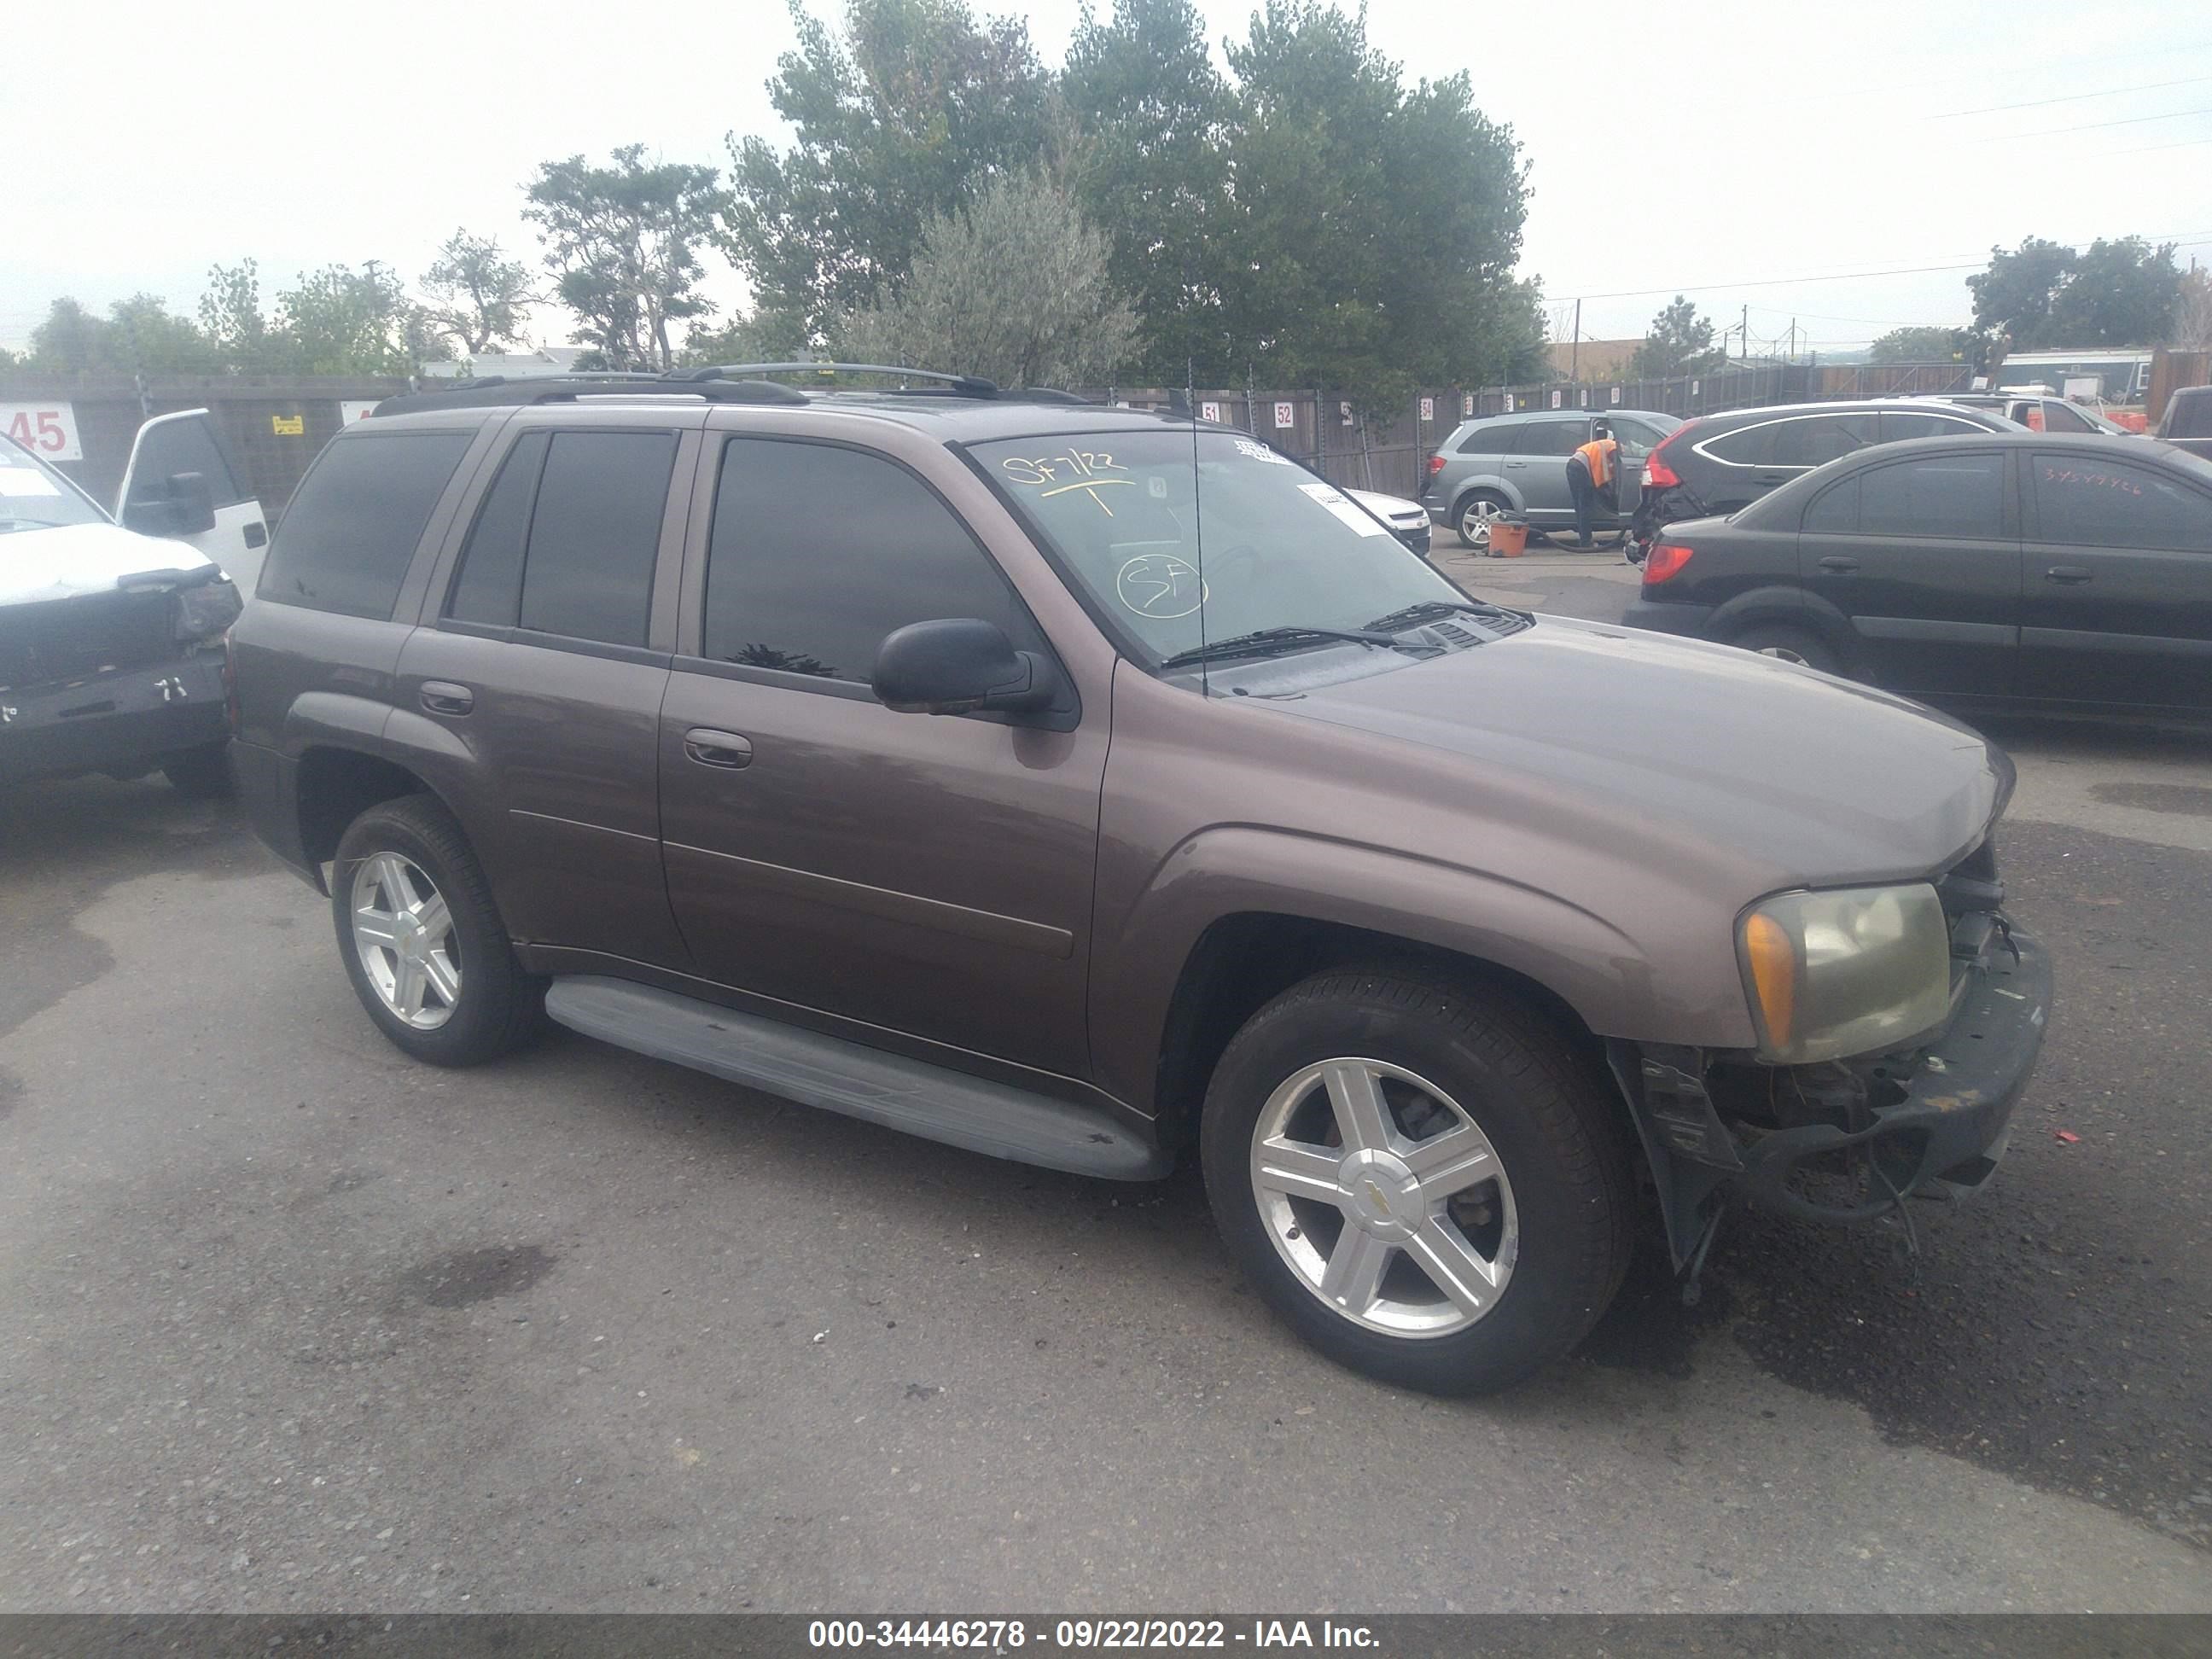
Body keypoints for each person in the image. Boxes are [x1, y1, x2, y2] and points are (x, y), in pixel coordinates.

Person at [1565, 421, 1620, 550]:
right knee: (1584, 506)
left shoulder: (1604, 446)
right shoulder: (1613, 446)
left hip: (1573, 465)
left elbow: (1604, 469)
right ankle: (1586, 543)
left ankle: (1584, 539)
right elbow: (1612, 470)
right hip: (1580, 468)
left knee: (1580, 507)